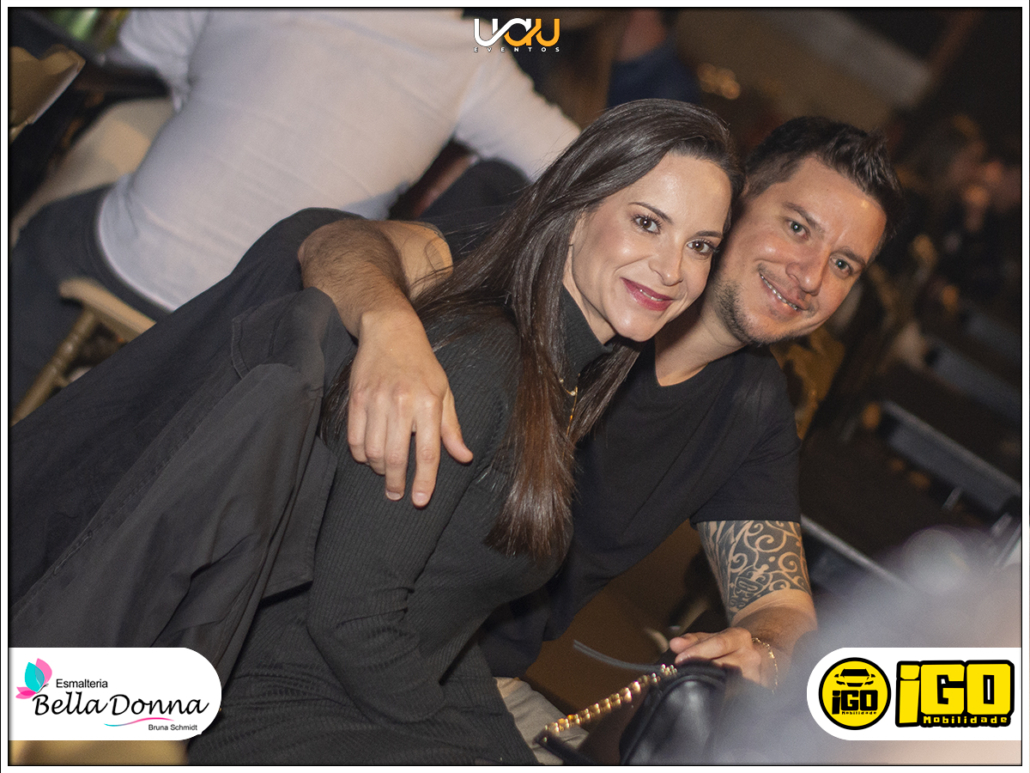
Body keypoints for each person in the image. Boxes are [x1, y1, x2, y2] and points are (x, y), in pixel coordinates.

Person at [12, 101, 742, 764]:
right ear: (576, 211)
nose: (672, 268)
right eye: (649, 223)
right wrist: (447, 739)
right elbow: (351, 617)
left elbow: (447, 627)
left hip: (357, 692)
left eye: (702, 245)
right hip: (282, 703)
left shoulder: (562, 378)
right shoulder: (480, 363)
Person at [295, 116, 905, 734]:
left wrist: (766, 651)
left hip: (480, 684)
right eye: (797, 228)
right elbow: (334, 243)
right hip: (356, 652)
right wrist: (391, 326)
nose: (811, 276)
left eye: (843, 264)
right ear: (733, 202)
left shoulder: (753, 406)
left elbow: (781, 604)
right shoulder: (590, 278)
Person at [9, 8, 579, 409]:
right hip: (250, 328)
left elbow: (131, 55)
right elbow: (577, 164)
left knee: (50, 231)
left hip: (130, 265)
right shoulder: (473, 59)